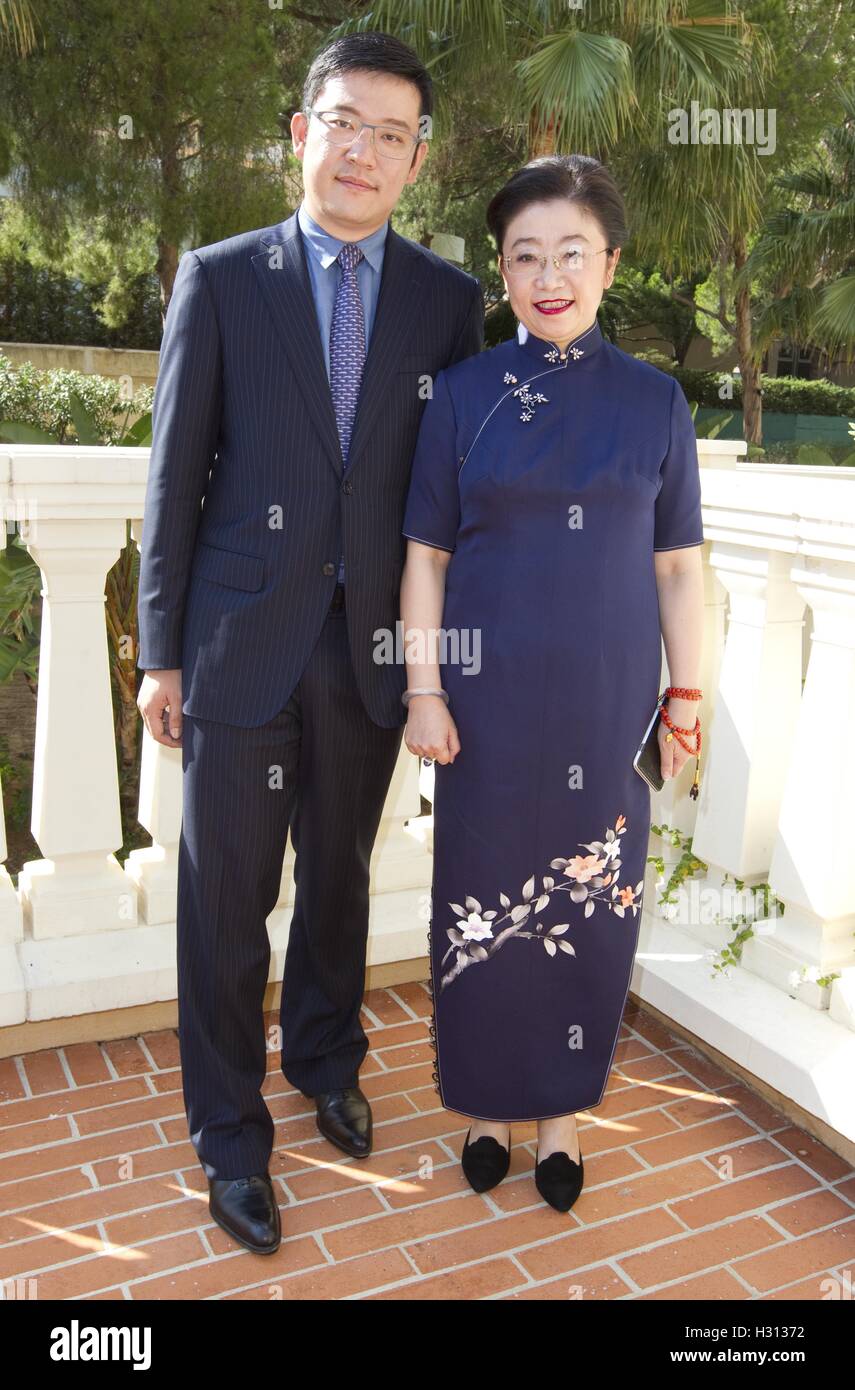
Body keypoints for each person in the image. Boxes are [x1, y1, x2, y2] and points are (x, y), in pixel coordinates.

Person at [135, 31, 484, 1256]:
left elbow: (450, 498)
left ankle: (327, 1056)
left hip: (371, 650)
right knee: (225, 901)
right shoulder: (222, 277)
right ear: (302, 132)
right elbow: (175, 476)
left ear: (415, 160)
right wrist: (158, 650)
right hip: (237, 645)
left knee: (337, 877)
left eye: (392, 134)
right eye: (345, 122)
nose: (364, 151)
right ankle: (230, 1134)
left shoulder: (450, 304)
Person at [400, 154, 705, 1213]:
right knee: (480, 907)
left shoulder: (658, 404)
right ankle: (487, 1107)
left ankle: (565, 1114)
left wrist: (687, 699)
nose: (547, 274)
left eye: (571, 252)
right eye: (524, 255)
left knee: (592, 902)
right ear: (503, 270)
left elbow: (679, 570)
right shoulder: (464, 397)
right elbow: (426, 557)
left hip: (608, 705)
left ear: (610, 264)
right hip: (483, 713)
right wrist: (425, 689)